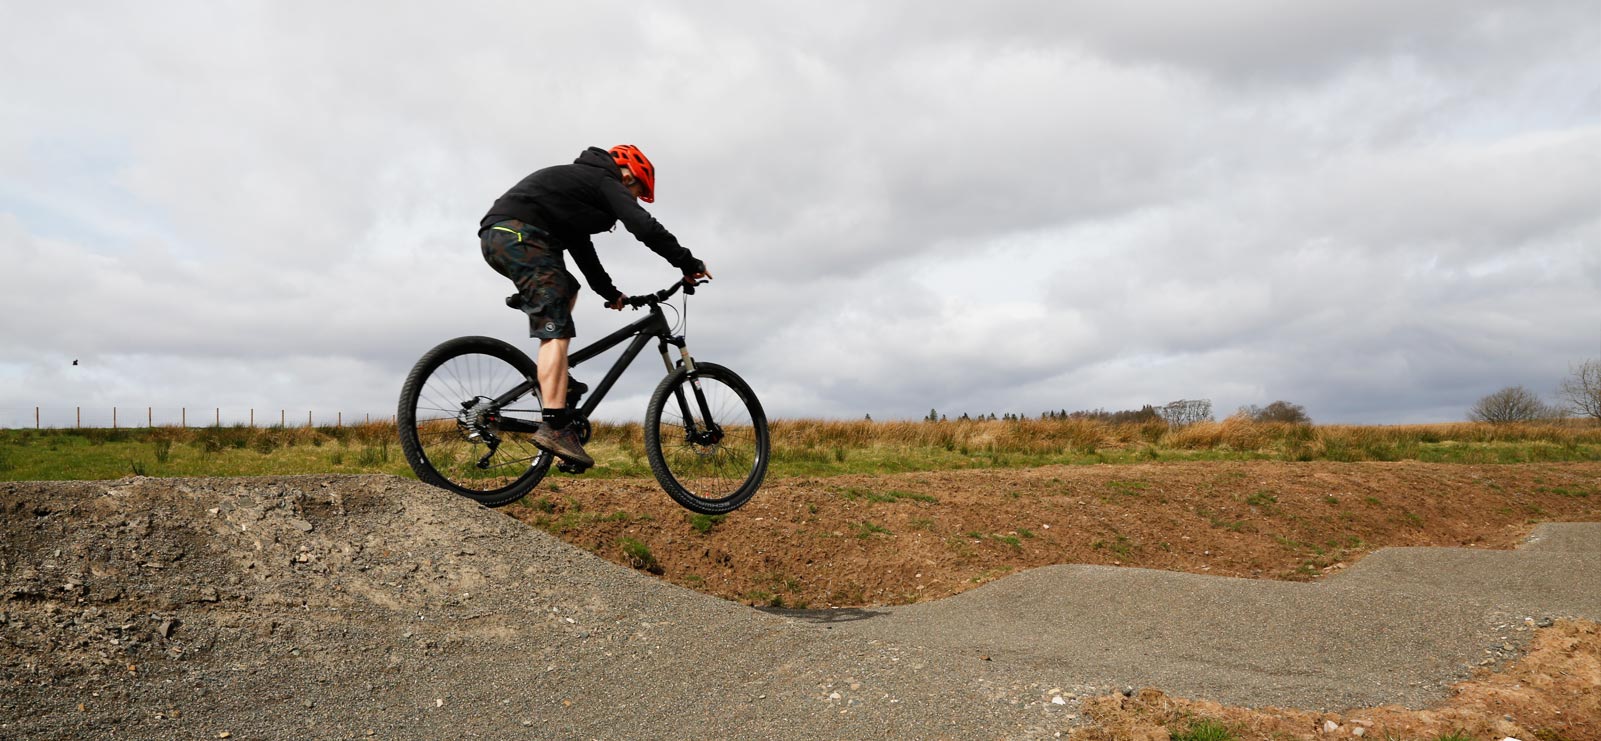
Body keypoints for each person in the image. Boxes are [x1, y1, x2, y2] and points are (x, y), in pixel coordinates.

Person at [479, 145, 711, 468]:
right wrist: (687, 262)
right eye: (636, 191)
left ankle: (559, 379)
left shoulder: (581, 188)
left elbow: (580, 245)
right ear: (628, 174)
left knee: (566, 289)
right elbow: (644, 227)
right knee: (557, 329)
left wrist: (609, 291)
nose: (631, 198)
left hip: (502, 237)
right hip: (518, 234)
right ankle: (555, 426)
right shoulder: (604, 179)